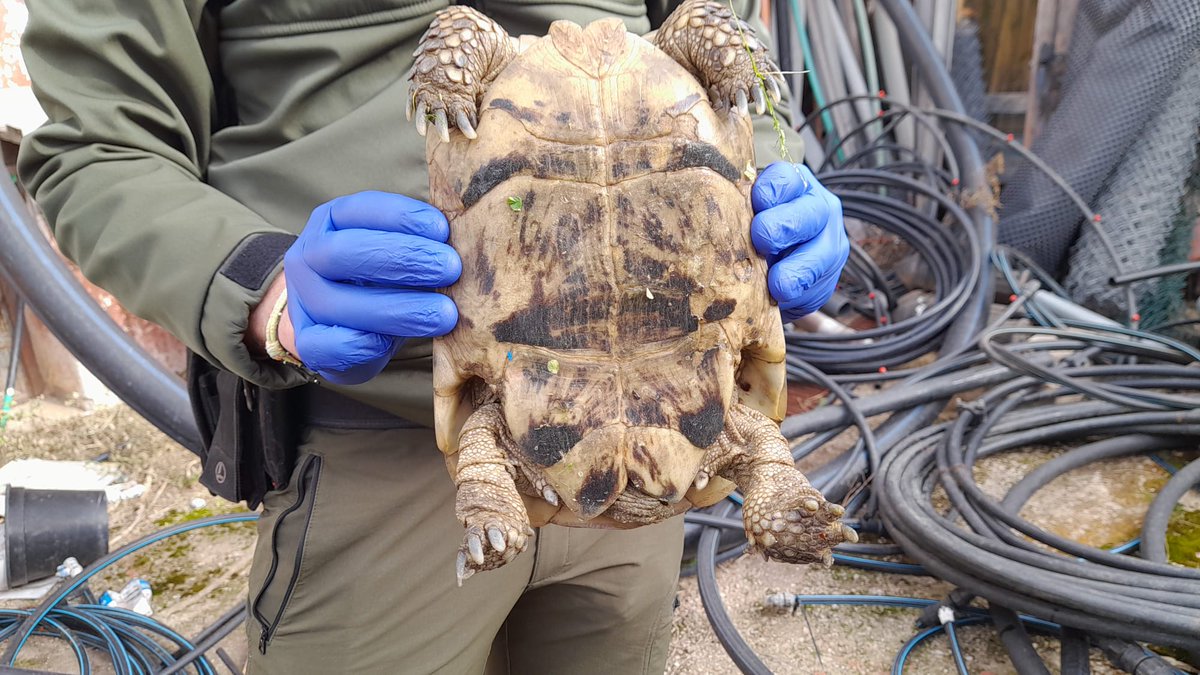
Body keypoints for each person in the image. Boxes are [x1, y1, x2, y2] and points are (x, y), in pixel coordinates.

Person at [16, 0, 848, 672]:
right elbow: (98, 145)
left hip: (669, 397)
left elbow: (727, 55)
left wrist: (778, 170)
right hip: (372, 430)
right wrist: (260, 282)